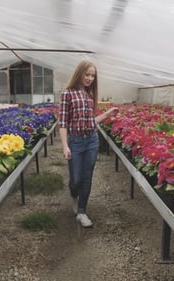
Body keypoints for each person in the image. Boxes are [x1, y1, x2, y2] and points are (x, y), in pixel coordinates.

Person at [58, 60, 118, 228]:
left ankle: (82, 211)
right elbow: (63, 122)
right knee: (75, 180)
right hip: (75, 142)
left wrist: (106, 114)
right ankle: (74, 195)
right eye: (87, 74)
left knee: (87, 177)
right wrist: (65, 146)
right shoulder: (67, 93)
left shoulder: (90, 95)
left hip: (92, 139)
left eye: (93, 75)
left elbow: (91, 121)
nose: (90, 78)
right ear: (79, 73)